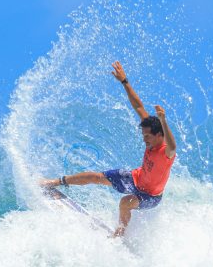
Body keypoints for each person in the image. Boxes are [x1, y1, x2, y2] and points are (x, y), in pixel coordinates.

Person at [41, 61, 177, 237]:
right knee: (94, 176)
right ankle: (53, 182)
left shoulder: (167, 151)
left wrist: (164, 120)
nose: (145, 140)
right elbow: (139, 106)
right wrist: (124, 81)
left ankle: (119, 235)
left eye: (148, 137)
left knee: (125, 202)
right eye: (143, 136)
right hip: (136, 179)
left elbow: (173, 146)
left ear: (159, 135)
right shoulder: (150, 129)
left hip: (151, 196)